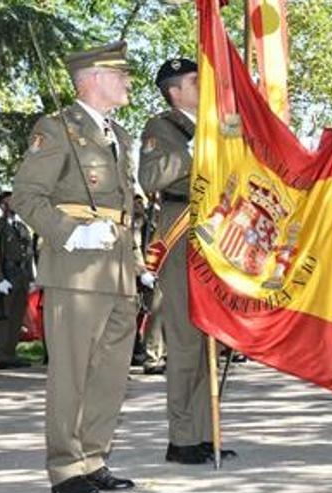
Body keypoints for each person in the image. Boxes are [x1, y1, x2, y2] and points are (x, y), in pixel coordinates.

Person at [11, 41, 142, 493]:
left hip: (120, 270)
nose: (127, 81)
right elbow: (26, 196)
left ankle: (93, 458)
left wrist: (139, 262)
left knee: (109, 373)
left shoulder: (120, 136)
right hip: (77, 269)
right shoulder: (57, 129)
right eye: (120, 73)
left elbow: (127, 207)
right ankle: (66, 468)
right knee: (72, 371)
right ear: (93, 78)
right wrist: (72, 231)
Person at [139, 57, 218, 464]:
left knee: (211, 338)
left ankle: (207, 432)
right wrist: (193, 150)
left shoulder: (212, 122)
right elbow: (149, 178)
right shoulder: (162, 127)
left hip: (214, 231)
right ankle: (182, 437)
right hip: (182, 228)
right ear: (174, 91)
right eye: (193, 80)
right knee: (186, 340)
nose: (202, 84)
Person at [0, 191, 35, 369]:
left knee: (17, 317)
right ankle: (0, 355)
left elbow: (29, 255)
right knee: (4, 316)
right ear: (2, 205)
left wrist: (31, 278)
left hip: (21, 277)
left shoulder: (22, 228)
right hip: (6, 275)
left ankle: (11, 353)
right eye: (9, 202)